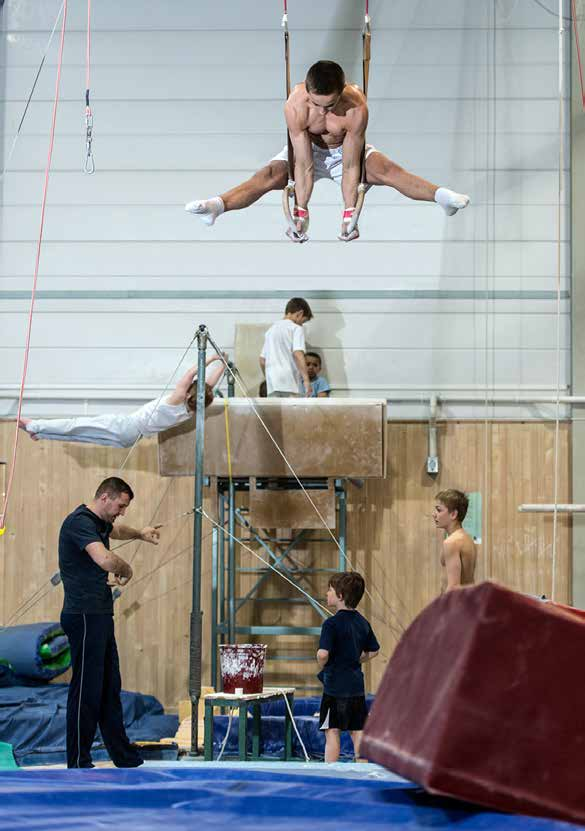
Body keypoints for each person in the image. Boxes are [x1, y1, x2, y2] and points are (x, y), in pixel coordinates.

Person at [186, 60, 469, 242]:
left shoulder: (356, 108)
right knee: (270, 174)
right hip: (307, 150)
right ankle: (216, 207)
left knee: (387, 171)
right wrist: (300, 211)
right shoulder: (295, 106)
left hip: (343, 152)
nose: (322, 111)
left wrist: (350, 212)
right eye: (315, 103)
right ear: (307, 91)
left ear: (342, 91)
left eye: (330, 105)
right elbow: (304, 166)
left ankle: (441, 197)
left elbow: (350, 167)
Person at [59, 476, 160, 768]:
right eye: (120, 505)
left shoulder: (97, 522)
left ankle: (122, 755)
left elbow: (115, 531)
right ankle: (78, 758)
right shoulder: (79, 522)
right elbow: (104, 558)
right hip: (84, 615)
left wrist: (140, 533)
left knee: (109, 686)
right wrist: (126, 568)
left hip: (99, 614)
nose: (122, 511)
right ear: (105, 497)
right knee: (88, 689)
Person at [17, 353, 227, 447]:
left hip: (126, 426)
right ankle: (40, 433)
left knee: (78, 424)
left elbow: (191, 374)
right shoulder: (193, 410)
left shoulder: (179, 398)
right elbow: (209, 387)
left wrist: (209, 358)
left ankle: (34, 424)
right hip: (131, 440)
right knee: (83, 436)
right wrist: (223, 366)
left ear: (189, 393)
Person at [317, 572, 380, 763]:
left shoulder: (331, 624)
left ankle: (331, 773)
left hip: (334, 688)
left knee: (332, 731)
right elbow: (375, 651)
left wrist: (321, 663)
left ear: (340, 596)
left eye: (330, 590)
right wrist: (355, 659)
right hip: (355, 687)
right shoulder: (363, 622)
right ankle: (363, 770)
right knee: (357, 731)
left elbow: (323, 654)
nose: (327, 593)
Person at [260, 298, 312, 397]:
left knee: (275, 412)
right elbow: (298, 354)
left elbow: (262, 360)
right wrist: (306, 380)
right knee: (293, 412)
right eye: (303, 321)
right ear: (300, 314)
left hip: (272, 384)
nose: (302, 324)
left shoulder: (270, 330)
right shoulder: (296, 328)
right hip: (290, 383)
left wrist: (268, 377)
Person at [432, 489, 477, 592]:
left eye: (439, 510)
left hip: (457, 604)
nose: (434, 514)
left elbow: (453, 587)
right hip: (468, 601)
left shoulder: (451, 542)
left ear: (453, 514)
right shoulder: (467, 539)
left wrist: (444, 607)